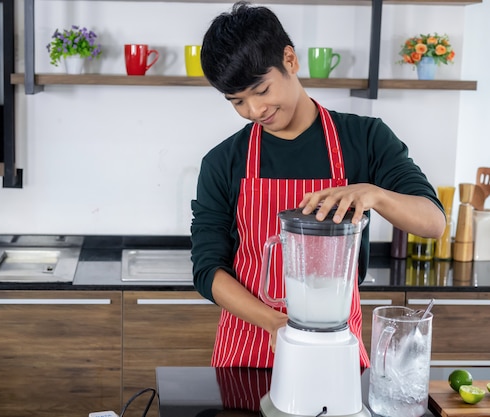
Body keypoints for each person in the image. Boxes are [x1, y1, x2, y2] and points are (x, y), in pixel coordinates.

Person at [190, 1, 446, 369]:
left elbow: (433, 222)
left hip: (335, 345)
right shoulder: (223, 161)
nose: (255, 110)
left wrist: (373, 194)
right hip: (251, 346)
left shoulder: (364, 138)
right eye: (237, 102)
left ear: (290, 61)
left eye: (261, 91)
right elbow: (206, 269)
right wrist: (275, 323)